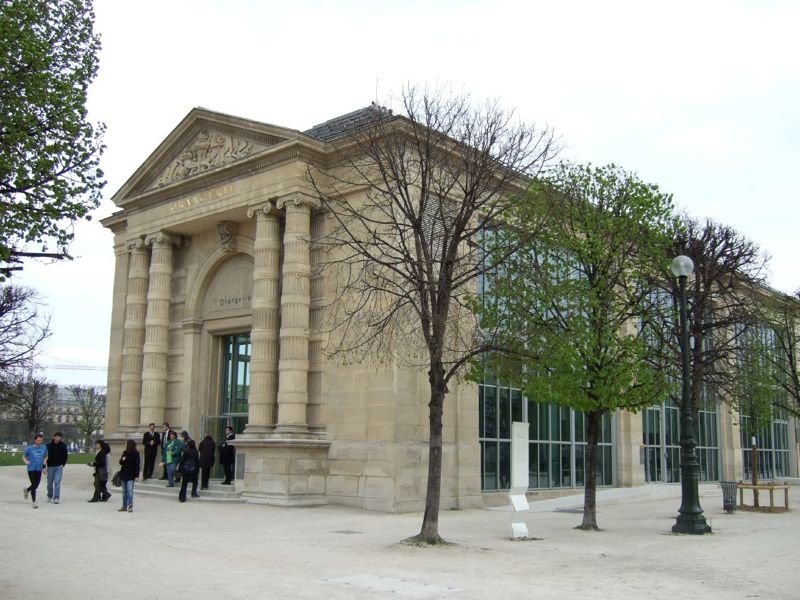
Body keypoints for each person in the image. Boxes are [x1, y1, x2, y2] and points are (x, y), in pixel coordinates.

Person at [22, 433, 48, 509]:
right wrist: (25, 461)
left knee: (36, 485)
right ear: (35, 440)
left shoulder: (44, 448)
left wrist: (44, 467)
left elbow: (46, 456)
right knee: (34, 484)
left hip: (39, 469)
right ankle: (34, 502)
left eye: (41, 440)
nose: (40, 441)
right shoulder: (29, 449)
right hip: (31, 468)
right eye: (39, 440)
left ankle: (27, 490)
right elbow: (23, 456)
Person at [46, 431, 69, 504]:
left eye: (60, 437)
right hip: (50, 466)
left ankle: (56, 497)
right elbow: (45, 456)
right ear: (54, 437)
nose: (58, 438)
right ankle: (50, 495)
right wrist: (45, 465)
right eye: (57, 436)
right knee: (49, 483)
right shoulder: (49, 445)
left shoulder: (63, 445)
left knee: (57, 482)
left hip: (59, 466)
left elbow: (65, 455)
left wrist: (63, 464)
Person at [118, 439, 141, 513]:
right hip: (123, 473)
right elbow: (120, 462)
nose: (124, 445)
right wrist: (123, 459)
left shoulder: (136, 453)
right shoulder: (125, 452)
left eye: (126, 443)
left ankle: (130, 505)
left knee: (130, 491)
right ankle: (124, 506)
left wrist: (136, 475)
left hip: (131, 474)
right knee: (124, 491)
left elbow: (137, 465)